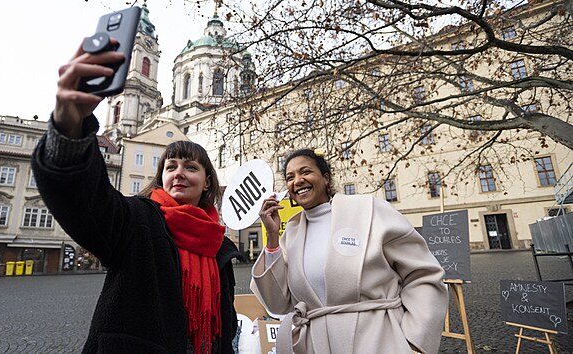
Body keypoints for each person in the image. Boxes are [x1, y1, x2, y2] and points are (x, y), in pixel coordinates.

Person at [31, 38, 242, 353]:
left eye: (191, 167)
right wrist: (69, 128)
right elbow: (83, 199)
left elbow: (223, 327)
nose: (179, 172)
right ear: (162, 178)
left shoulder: (220, 246)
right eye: (170, 166)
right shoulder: (137, 221)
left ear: (208, 182)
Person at [251, 149, 448, 354]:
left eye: (305, 172)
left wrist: (415, 341)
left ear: (326, 178)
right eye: (290, 177)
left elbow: (423, 275)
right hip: (317, 345)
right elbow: (277, 304)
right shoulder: (291, 234)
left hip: (380, 340)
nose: (297, 181)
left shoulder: (369, 211)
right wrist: (272, 238)